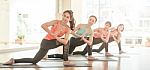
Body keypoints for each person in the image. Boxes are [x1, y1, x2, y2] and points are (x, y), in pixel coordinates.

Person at [4, 10, 75, 66]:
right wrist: (51, 33)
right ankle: (66, 61)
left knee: (34, 61)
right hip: (46, 42)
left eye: (67, 17)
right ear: (62, 15)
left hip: (52, 42)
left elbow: (65, 42)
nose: (65, 18)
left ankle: (14, 60)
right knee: (34, 60)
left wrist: (56, 38)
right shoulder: (56, 22)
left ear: (70, 19)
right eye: (64, 16)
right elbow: (43, 25)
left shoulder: (67, 28)